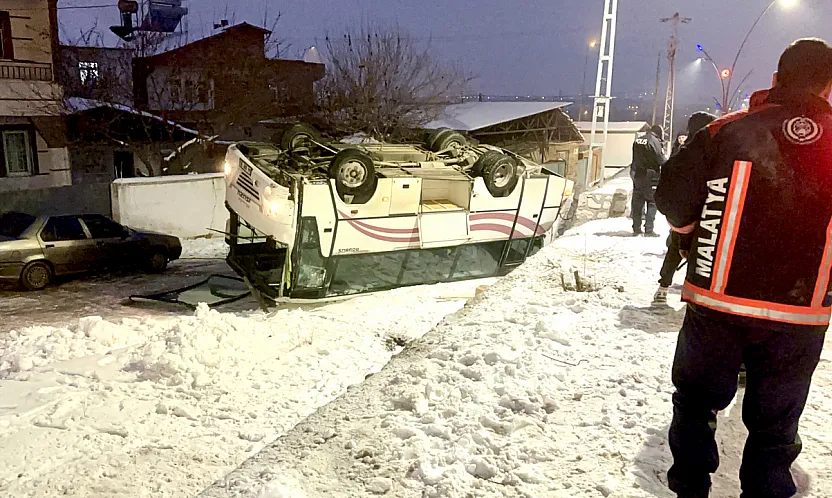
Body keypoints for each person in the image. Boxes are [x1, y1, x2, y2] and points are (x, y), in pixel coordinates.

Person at [655, 38, 832, 498]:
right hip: (801, 314)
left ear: (776, 79)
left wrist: (691, 234)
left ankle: (690, 487)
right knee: (776, 425)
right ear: (828, 87)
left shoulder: (722, 132)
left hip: (717, 301)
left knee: (696, 404)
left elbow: (674, 199)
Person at [653, 112, 717, 304]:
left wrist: (674, 217)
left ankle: (663, 287)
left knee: (675, 249)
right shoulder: (708, 153)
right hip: (700, 216)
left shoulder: (681, 151)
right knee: (699, 255)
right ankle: (693, 293)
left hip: (680, 218)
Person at [631, 124, 667, 236]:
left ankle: (636, 228)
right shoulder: (654, 141)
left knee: (637, 202)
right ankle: (649, 229)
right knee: (652, 202)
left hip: (638, 174)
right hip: (651, 175)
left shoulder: (638, 140)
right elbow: (661, 159)